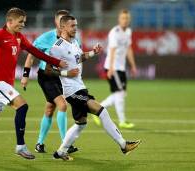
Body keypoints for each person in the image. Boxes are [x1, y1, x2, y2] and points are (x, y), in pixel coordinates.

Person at [0, 7, 67, 160]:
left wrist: (57, 62)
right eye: (20, 22)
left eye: (24, 22)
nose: (22, 24)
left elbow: (35, 52)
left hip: (6, 84)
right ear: (9, 21)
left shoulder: (19, 37)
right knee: (22, 106)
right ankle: (20, 146)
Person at [50, 15, 141, 161]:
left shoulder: (73, 43)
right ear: (63, 27)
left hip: (80, 87)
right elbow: (50, 70)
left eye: (76, 25)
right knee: (101, 111)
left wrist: (93, 52)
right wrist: (67, 73)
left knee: (80, 124)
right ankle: (123, 145)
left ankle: (61, 151)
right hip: (71, 92)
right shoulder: (57, 47)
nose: (75, 28)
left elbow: (79, 58)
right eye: (72, 26)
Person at [21, 10, 78, 153]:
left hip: (61, 76)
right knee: (62, 105)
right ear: (56, 22)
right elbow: (31, 56)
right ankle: (66, 144)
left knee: (49, 109)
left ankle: (39, 143)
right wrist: (25, 75)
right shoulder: (45, 38)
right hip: (46, 76)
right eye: (60, 21)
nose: (62, 25)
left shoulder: (73, 39)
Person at [92, 9, 137, 129]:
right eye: (123, 18)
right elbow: (111, 50)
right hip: (113, 67)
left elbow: (129, 49)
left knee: (119, 94)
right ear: (119, 19)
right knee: (120, 93)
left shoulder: (128, 31)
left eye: (127, 18)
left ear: (129, 20)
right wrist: (111, 68)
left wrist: (133, 65)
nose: (125, 20)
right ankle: (122, 121)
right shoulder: (114, 32)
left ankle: (97, 110)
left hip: (120, 68)